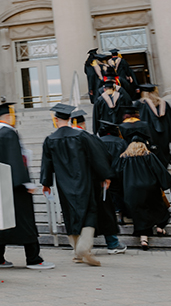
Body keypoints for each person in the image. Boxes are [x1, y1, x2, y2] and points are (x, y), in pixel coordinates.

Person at [0, 102, 53, 270]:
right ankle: (33, 258)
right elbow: (16, 159)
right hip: (16, 187)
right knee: (25, 221)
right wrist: (26, 182)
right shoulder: (9, 134)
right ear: (8, 116)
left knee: (0, 223)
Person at [40, 103, 113, 266]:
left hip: (63, 183)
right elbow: (96, 157)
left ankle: (77, 252)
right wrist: (105, 175)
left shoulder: (50, 139)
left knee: (69, 213)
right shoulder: (81, 136)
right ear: (71, 119)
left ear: (55, 119)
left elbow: (47, 163)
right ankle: (83, 247)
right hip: (84, 180)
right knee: (89, 211)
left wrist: (46, 183)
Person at [72, 110, 126, 255]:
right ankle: (113, 243)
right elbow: (102, 157)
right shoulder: (89, 138)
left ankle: (81, 245)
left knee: (83, 215)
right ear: (82, 124)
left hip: (74, 185)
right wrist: (106, 176)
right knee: (105, 213)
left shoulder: (61, 139)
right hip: (94, 183)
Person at [113, 136, 171, 250]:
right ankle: (160, 228)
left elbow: (116, 175)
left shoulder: (123, 158)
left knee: (140, 214)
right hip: (150, 187)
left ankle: (144, 239)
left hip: (131, 190)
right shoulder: (149, 156)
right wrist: (169, 182)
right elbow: (159, 170)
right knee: (157, 207)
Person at [135, 84, 171, 167]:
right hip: (164, 134)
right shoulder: (165, 104)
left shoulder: (140, 104)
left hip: (149, 135)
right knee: (163, 154)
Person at [98, 120, 129, 225]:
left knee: (105, 195)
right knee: (119, 193)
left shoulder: (98, 141)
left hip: (103, 173)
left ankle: (107, 216)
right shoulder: (121, 142)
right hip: (118, 172)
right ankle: (120, 215)